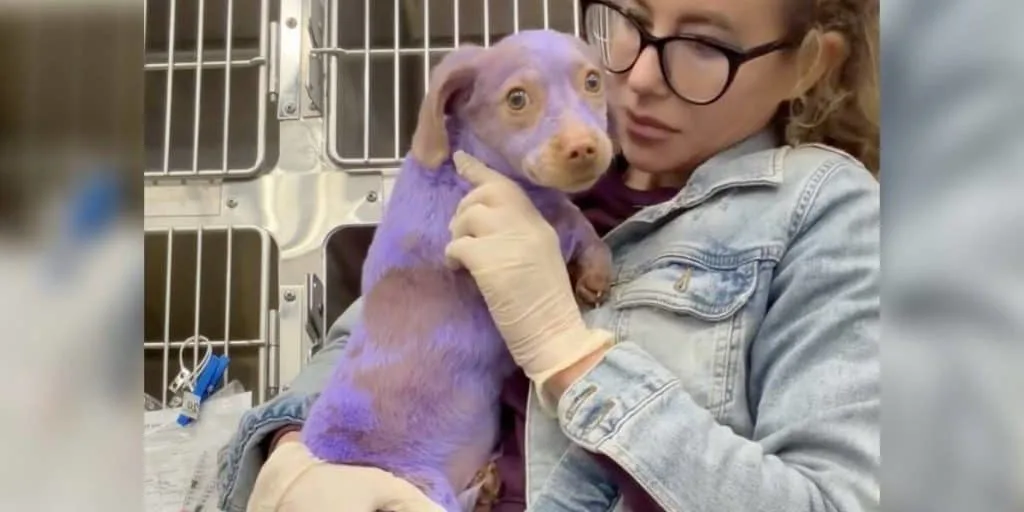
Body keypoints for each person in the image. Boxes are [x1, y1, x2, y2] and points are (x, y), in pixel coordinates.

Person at [218, 0, 880, 510]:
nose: (640, 77)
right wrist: (292, 449)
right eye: (631, 20)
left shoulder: (825, 211)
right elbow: (375, 328)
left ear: (808, 64)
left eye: (705, 45)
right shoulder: (518, 166)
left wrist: (567, 350)